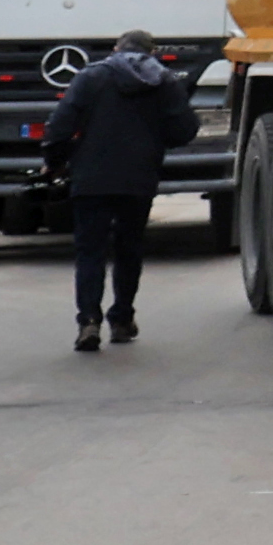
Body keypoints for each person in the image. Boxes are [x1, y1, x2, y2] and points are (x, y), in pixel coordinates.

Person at [38, 29, 195, 353]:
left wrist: (54, 162)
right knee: (129, 248)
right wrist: (155, 142)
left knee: (90, 251)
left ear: (115, 49)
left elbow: (59, 126)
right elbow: (185, 129)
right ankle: (122, 319)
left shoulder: (90, 77)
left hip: (91, 179)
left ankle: (88, 321)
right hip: (139, 177)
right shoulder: (164, 82)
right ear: (152, 51)